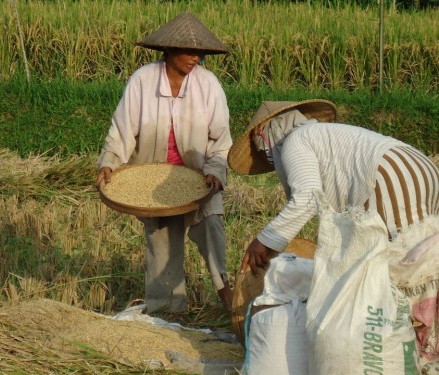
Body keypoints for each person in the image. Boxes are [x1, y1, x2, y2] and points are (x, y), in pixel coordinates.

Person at [95, 12, 233, 313]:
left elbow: (220, 140)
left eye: (200, 52)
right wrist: (110, 161)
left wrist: (214, 171)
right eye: (189, 51)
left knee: (212, 232)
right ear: (168, 50)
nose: (195, 58)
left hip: (196, 176)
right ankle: (167, 312)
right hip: (152, 179)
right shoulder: (142, 81)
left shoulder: (208, 85)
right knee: (161, 246)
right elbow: (122, 130)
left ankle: (230, 300)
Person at [227, 99, 438, 276]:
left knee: (402, 267)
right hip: (420, 165)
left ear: (266, 135)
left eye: (265, 153)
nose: (269, 159)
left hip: (391, 174)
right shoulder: (320, 135)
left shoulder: (295, 140)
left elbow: (307, 198)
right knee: (424, 257)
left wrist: (264, 241)